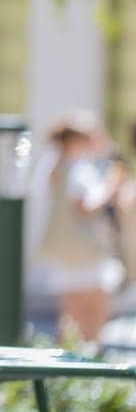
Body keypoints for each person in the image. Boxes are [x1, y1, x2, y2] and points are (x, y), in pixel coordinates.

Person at [32, 109, 124, 342]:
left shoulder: (55, 165)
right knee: (91, 310)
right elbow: (85, 208)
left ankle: (73, 360)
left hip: (70, 250)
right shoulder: (78, 169)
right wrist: (112, 186)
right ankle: (86, 362)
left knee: (73, 310)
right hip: (84, 250)